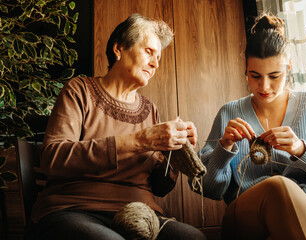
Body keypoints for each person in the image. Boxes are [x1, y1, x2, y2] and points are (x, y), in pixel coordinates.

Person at [27, 14, 206, 240]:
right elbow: (53, 159)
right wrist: (139, 141)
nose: (155, 64)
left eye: (158, 58)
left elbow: (159, 188)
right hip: (74, 208)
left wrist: (178, 155)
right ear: (119, 48)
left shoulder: (150, 109)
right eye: (149, 52)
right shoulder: (78, 91)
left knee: (193, 238)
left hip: (140, 215)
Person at [198, 13, 306, 240]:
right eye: (255, 76)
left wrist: (303, 150)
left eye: (274, 76)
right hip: (246, 212)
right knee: (278, 187)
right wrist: (224, 148)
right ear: (245, 68)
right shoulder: (229, 113)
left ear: (289, 68)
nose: (264, 86)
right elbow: (208, 189)